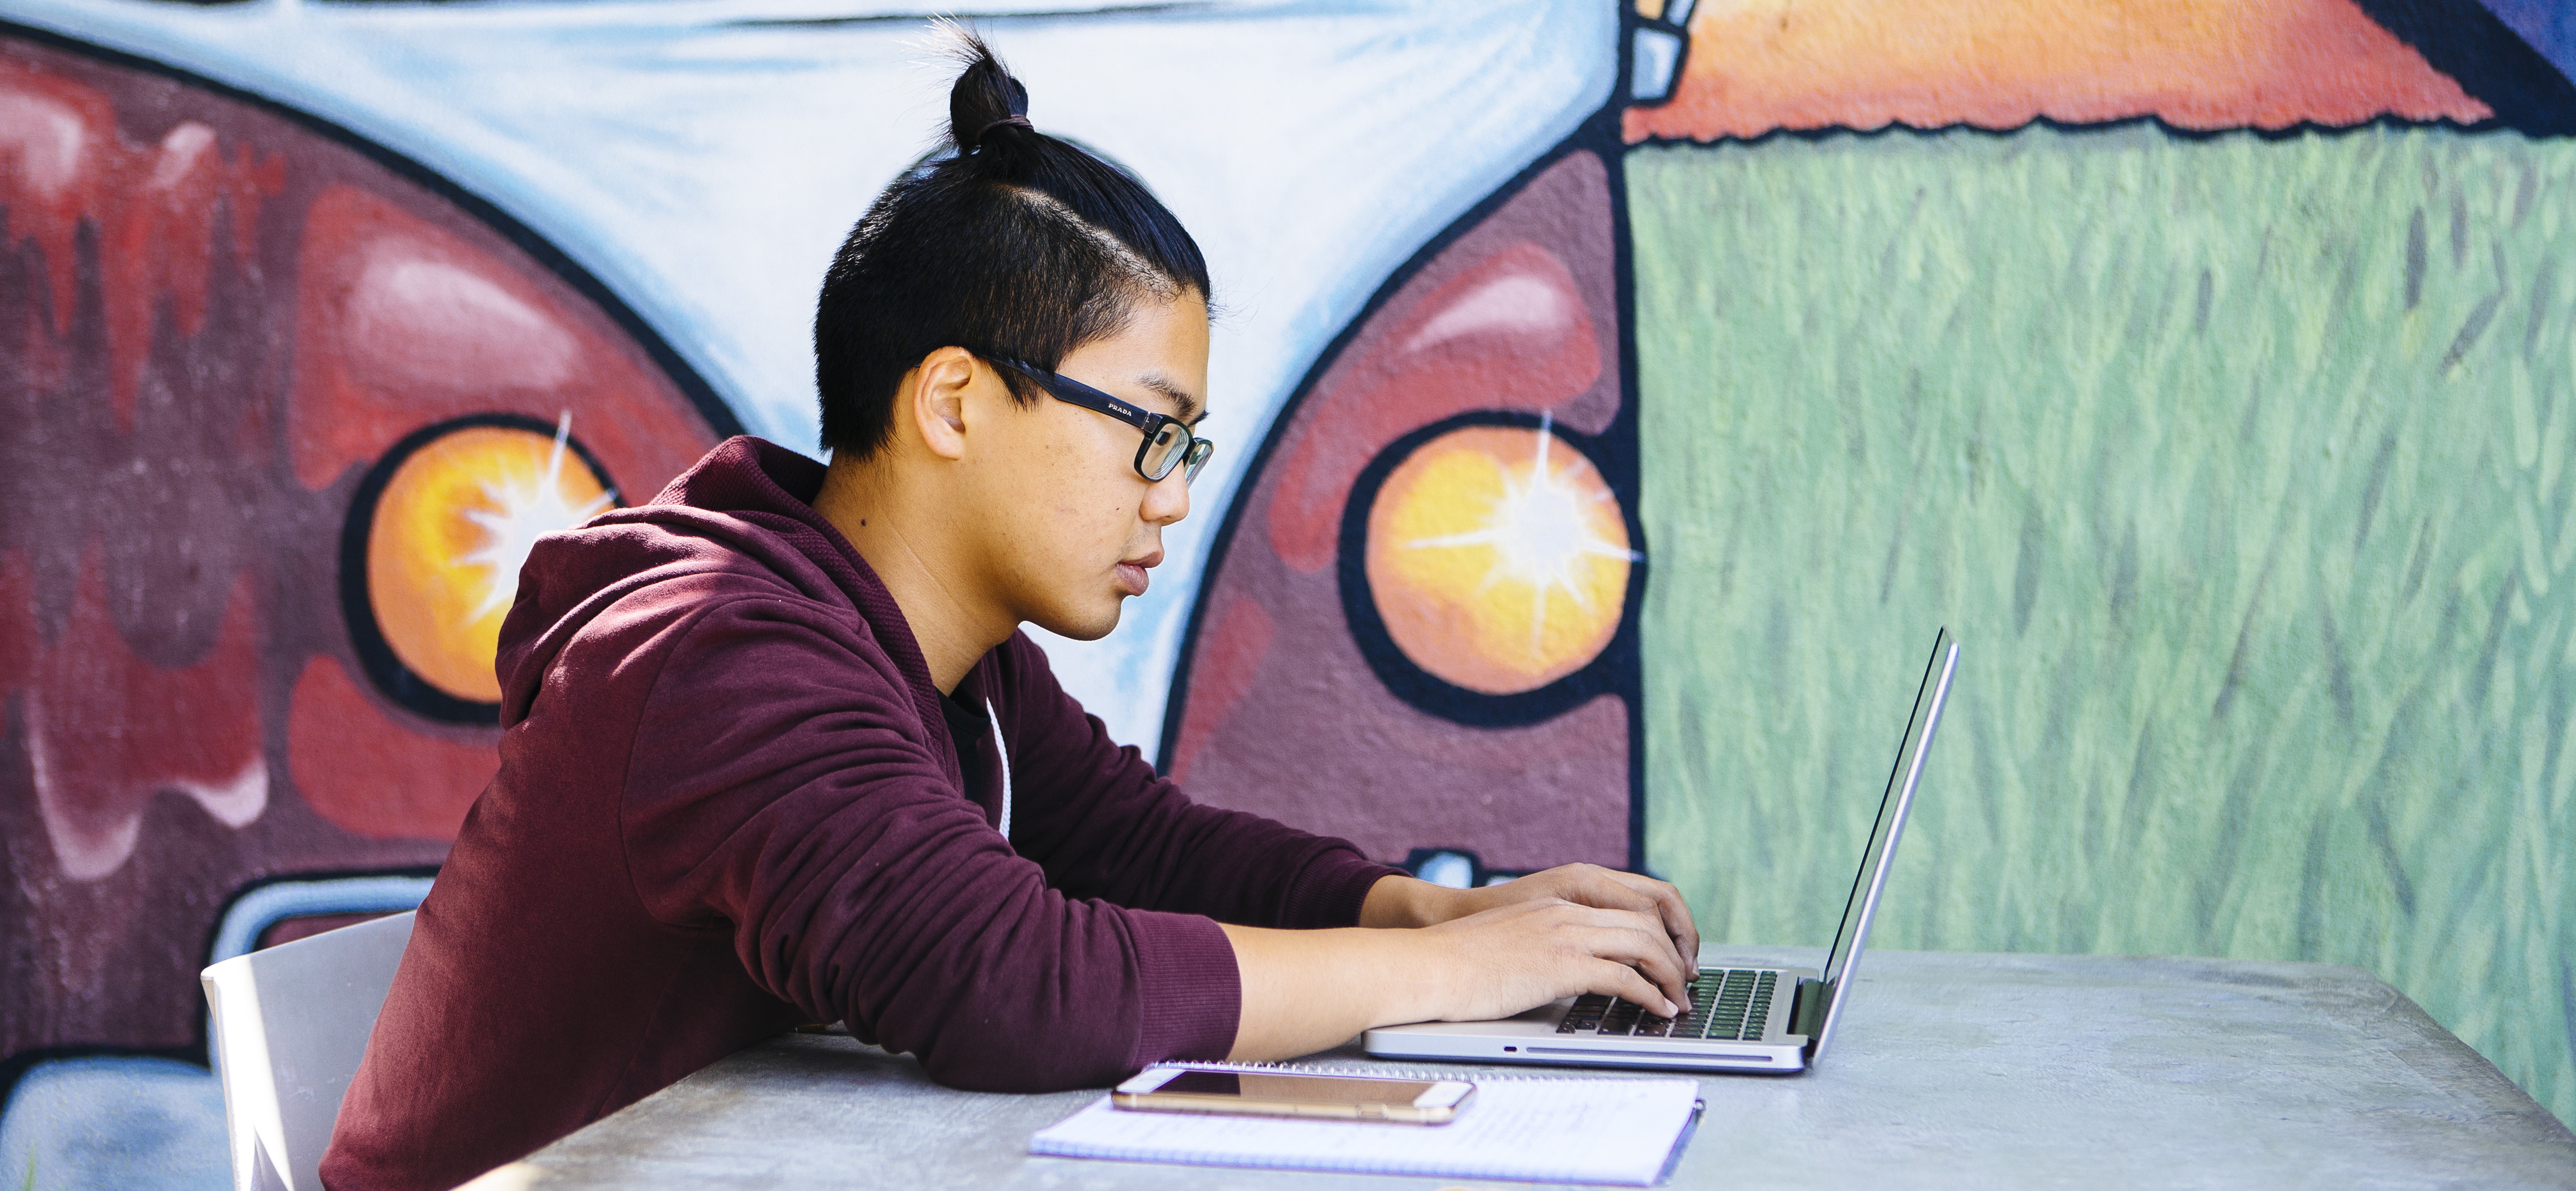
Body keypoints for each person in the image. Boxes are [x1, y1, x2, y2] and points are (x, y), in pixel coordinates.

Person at [320, 30, 1699, 1191]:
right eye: (1149, 433)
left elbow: (1139, 852)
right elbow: (1010, 983)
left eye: (1187, 447)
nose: (1173, 496)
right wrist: (1452, 979)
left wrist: (1431, 915)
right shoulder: (713, 653)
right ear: (956, 402)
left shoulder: (942, 659)